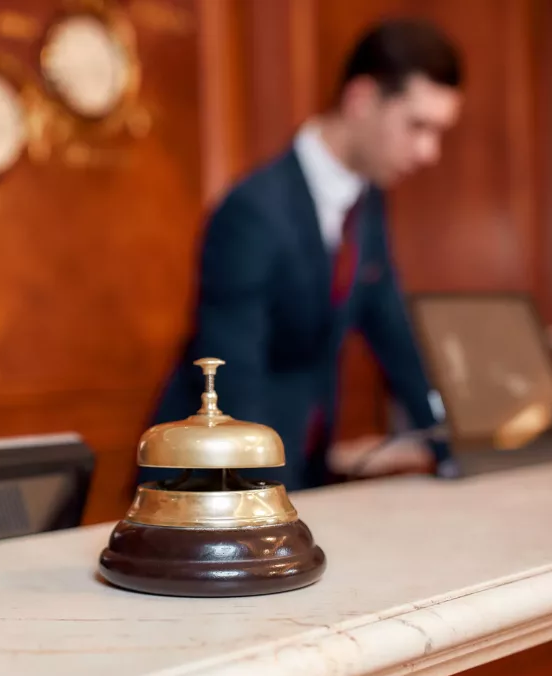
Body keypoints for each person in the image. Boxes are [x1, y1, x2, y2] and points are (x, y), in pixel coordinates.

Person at [144, 19, 464, 492]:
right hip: (212, 486)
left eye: (439, 132)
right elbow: (235, 379)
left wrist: (453, 451)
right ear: (360, 100)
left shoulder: (368, 202)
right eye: (417, 126)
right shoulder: (251, 211)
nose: (428, 152)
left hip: (304, 470)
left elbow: (393, 334)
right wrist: (269, 502)